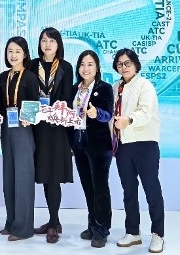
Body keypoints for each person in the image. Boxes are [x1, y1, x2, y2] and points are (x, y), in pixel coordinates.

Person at [111, 48, 165, 253]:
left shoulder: (145, 85)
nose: (123, 67)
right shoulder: (115, 87)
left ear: (135, 65)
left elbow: (146, 112)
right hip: (122, 145)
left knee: (152, 190)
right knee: (129, 191)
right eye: (120, 64)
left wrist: (129, 120)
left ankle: (158, 234)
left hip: (144, 144)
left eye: (127, 63)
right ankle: (133, 232)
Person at [29, 27, 74, 243]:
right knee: (45, 176)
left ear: (58, 44)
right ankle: (52, 221)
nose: (47, 44)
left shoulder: (65, 67)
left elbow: (67, 98)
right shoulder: (32, 65)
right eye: (44, 40)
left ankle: (54, 223)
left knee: (54, 176)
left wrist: (51, 111)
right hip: (37, 128)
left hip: (57, 129)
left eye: (52, 41)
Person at [0, 36, 40, 241]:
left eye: (17, 51)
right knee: (9, 177)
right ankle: (11, 222)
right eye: (10, 51)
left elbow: (35, 103)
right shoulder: (3, 76)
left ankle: (23, 228)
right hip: (6, 126)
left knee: (23, 178)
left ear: (25, 54)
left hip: (24, 128)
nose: (13, 55)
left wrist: (29, 118)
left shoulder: (30, 76)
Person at [71, 50, 114, 248]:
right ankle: (92, 224)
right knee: (88, 187)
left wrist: (97, 113)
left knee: (100, 188)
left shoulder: (104, 88)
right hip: (79, 142)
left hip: (99, 144)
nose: (85, 68)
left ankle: (102, 230)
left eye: (90, 64)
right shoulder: (74, 89)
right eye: (82, 64)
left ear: (97, 68)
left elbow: (108, 114)